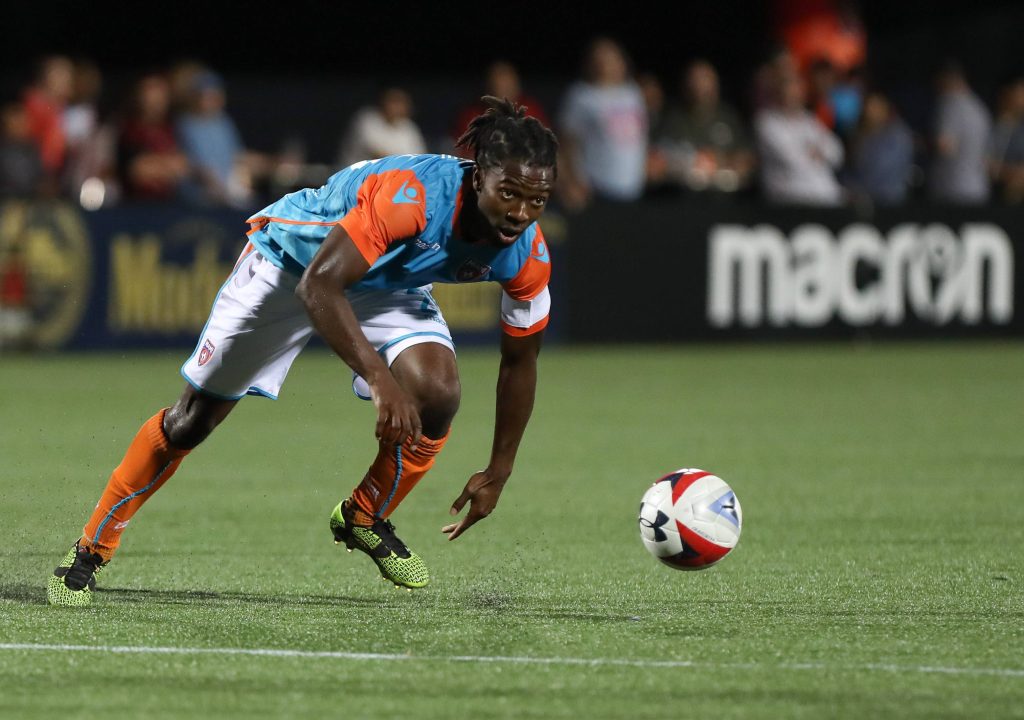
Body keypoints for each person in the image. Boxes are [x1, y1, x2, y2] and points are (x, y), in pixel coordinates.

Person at [47, 97, 558, 606]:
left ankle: (363, 515)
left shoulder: (528, 252)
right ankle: (90, 548)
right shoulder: (414, 198)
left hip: (386, 283)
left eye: (536, 201)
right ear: (478, 179)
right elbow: (319, 287)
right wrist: (380, 381)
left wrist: (499, 468)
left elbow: (521, 363)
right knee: (190, 421)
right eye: (508, 194)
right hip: (293, 263)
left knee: (438, 394)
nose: (520, 213)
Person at [558, 37, 647, 208]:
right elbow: (566, 143)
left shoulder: (633, 93)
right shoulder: (581, 96)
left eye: (612, 59)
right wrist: (571, 181)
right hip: (597, 189)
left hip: (633, 188)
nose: (606, 65)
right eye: (600, 60)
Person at [755, 70, 844, 206]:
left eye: (797, 91)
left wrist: (816, 152)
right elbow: (792, 161)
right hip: (789, 200)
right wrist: (816, 153)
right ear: (779, 93)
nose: (794, 96)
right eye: (789, 91)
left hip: (825, 197)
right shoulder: (766, 122)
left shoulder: (810, 121)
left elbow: (837, 153)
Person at [929, 61, 991, 206]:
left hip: (952, 190)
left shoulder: (950, 103)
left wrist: (920, 144)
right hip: (977, 187)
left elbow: (945, 146)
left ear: (946, 79)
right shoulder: (978, 107)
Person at [339, 87, 427, 167]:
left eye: (401, 102)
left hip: (389, 178)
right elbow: (378, 155)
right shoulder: (366, 118)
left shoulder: (409, 127)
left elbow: (419, 159)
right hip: (355, 178)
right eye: (394, 101)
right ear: (382, 101)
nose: (397, 107)